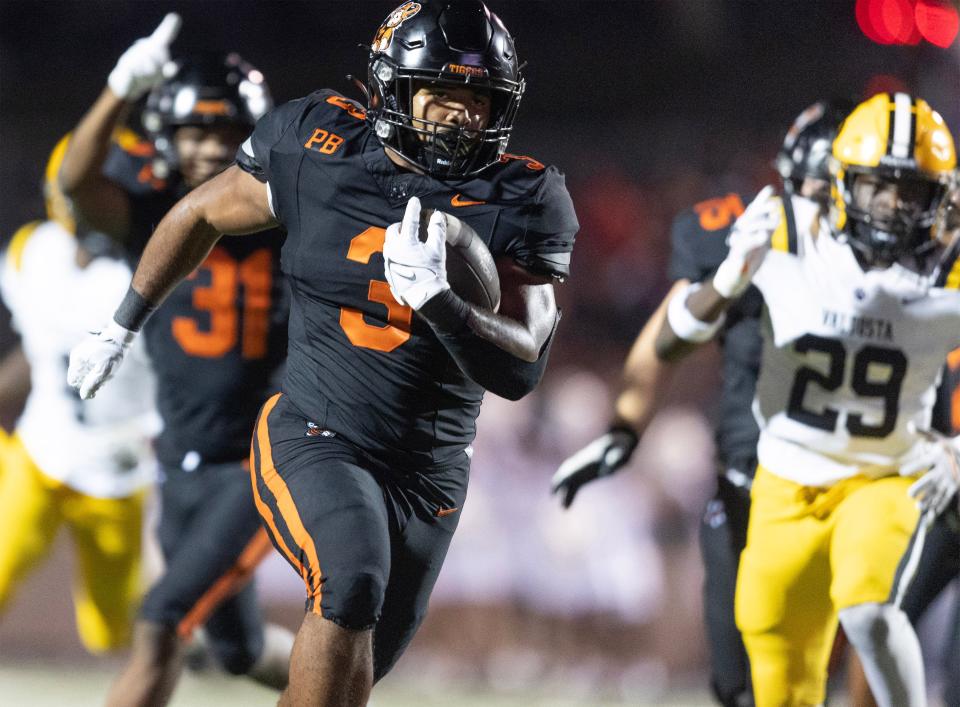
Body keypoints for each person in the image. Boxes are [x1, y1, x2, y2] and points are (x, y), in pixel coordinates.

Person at [66, 2, 578, 704]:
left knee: (351, 674)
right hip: (314, 428)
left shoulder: (523, 195)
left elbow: (523, 364)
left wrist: (443, 305)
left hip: (428, 475)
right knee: (349, 581)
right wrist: (123, 324)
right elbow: (199, 211)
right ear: (394, 89)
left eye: (478, 99)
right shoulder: (317, 143)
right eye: (443, 95)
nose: (462, 116)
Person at [653, 92, 958, 707]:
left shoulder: (950, 267)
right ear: (842, 183)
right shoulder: (787, 231)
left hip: (886, 477)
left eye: (914, 192)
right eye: (879, 187)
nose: (895, 208)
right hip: (785, 480)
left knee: (871, 610)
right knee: (777, 667)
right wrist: (730, 277)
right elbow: (671, 341)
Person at [550, 100, 849, 707]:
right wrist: (624, 428)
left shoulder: (919, 253)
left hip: (866, 476)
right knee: (738, 672)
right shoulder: (742, 233)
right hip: (755, 474)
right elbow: (667, 336)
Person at [59, 18, 292, 706]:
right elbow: (77, 182)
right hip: (181, 456)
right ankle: (346, 681)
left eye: (225, 132)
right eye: (196, 131)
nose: (211, 147)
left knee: (161, 620)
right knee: (239, 648)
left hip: (259, 460)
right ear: (166, 134)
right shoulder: (154, 208)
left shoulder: (288, 208)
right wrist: (118, 90)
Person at [0, 136, 159, 654]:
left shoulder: (154, 272)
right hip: (40, 450)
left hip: (115, 468)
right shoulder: (33, 250)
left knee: (107, 631)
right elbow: (38, 343)